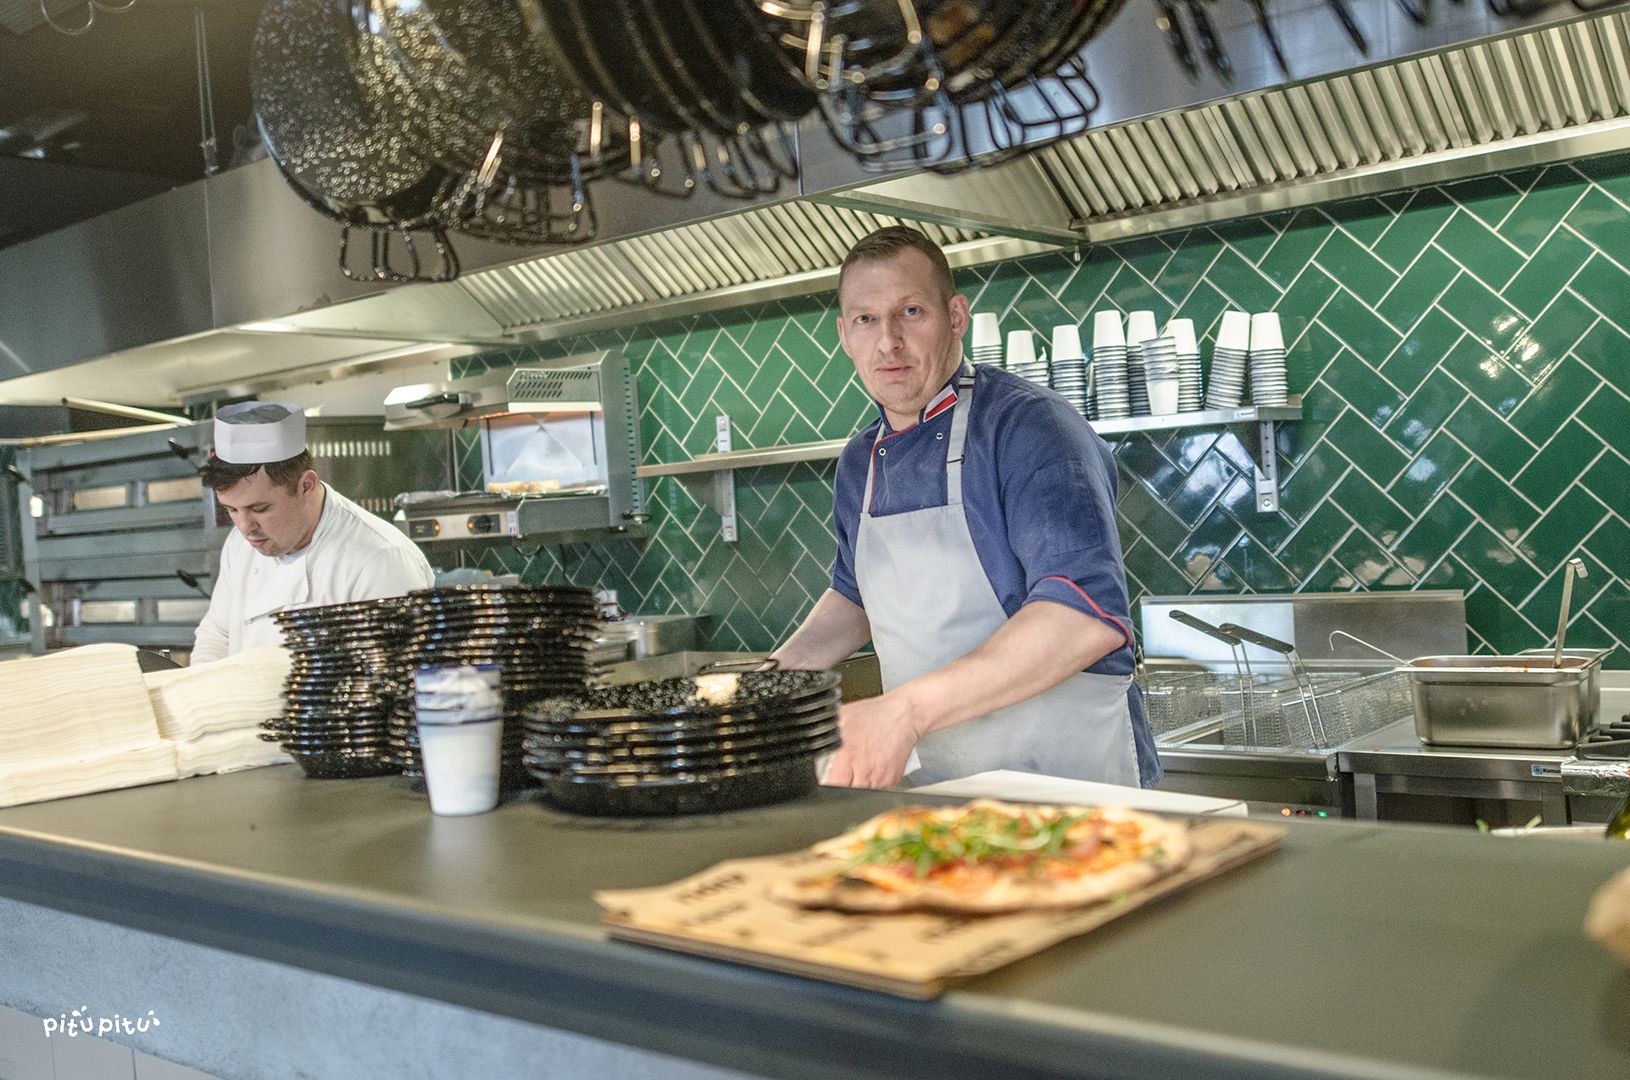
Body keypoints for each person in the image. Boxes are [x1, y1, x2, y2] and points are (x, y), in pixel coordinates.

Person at [771, 226, 1161, 790]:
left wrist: (904, 712)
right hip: (939, 788)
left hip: (1068, 785)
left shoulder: (1032, 429)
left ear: (956, 316)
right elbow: (855, 597)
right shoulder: (861, 461)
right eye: (865, 319)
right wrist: (766, 683)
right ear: (844, 335)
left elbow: (1082, 618)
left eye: (910, 312)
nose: (888, 342)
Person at [190, 402, 434, 663]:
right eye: (232, 510)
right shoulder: (239, 544)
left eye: (259, 508)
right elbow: (217, 634)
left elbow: (392, 673)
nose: (245, 527)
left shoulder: (381, 560)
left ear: (306, 486)